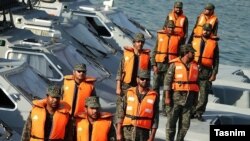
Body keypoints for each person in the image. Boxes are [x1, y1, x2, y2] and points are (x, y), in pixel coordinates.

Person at [163, 44, 199, 141]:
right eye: (192, 52)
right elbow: (167, 82)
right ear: (186, 53)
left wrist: (196, 99)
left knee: (185, 125)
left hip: (189, 100)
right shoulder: (174, 65)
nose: (194, 54)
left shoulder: (195, 66)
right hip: (175, 99)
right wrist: (167, 97)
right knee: (171, 123)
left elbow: (197, 84)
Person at [115, 33, 151, 125]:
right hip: (125, 85)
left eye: (142, 42)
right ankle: (117, 131)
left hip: (139, 87)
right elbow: (119, 71)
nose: (140, 44)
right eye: (138, 42)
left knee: (134, 109)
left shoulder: (146, 57)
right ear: (134, 43)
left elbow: (148, 74)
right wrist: (118, 87)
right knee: (120, 109)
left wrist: (148, 88)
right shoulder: (126, 55)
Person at [116, 70, 159, 141]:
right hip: (127, 131)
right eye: (142, 79)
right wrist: (118, 133)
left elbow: (155, 119)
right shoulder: (129, 93)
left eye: (147, 79)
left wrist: (152, 137)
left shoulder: (153, 96)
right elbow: (120, 113)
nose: (145, 81)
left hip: (143, 133)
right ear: (137, 79)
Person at [151, 20, 182, 116]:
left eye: (172, 28)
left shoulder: (177, 38)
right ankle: (154, 108)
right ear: (166, 28)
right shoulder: (160, 36)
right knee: (155, 88)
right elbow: (154, 51)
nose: (170, 29)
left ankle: (165, 109)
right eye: (169, 27)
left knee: (167, 88)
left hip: (170, 66)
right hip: (159, 65)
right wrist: (154, 65)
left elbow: (180, 54)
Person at [191, 23, 219, 121]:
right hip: (194, 69)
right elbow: (188, 55)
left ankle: (199, 112)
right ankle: (191, 111)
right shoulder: (195, 40)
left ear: (211, 32)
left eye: (208, 30)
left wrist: (214, 73)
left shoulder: (214, 43)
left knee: (203, 95)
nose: (206, 32)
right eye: (204, 30)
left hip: (206, 72)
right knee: (192, 93)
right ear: (202, 30)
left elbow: (216, 60)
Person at [62, 63, 96, 140]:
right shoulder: (66, 83)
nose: (81, 73)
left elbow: (94, 104)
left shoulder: (90, 87)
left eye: (83, 72)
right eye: (79, 71)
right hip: (66, 116)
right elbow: (60, 99)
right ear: (74, 72)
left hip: (81, 118)